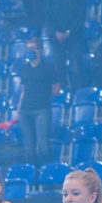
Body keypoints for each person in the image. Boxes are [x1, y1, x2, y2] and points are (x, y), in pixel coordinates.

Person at [18, 37, 60, 166]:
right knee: (29, 149)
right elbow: (23, 91)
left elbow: (56, 89)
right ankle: (34, 175)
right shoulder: (24, 68)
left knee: (43, 146)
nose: (30, 51)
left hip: (41, 109)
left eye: (33, 48)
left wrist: (42, 95)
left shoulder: (48, 67)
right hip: (25, 110)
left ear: (40, 50)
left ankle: (48, 171)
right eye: (28, 48)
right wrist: (18, 110)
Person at [46, 0, 88, 90]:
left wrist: (69, 32)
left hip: (74, 36)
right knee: (59, 67)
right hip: (56, 38)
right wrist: (56, 32)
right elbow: (48, 17)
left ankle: (78, 92)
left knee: (76, 67)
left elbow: (81, 16)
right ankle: (63, 92)